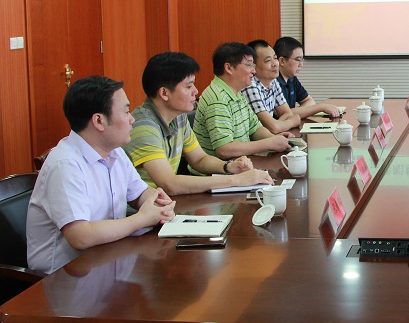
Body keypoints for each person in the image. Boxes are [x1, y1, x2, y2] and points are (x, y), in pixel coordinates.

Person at [27, 76, 176, 274]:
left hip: (107, 261)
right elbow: (81, 236)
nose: (132, 119)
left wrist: (158, 203)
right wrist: (142, 219)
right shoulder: (65, 165)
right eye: (126, 111)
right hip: (63, 279)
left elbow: (140, 193)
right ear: (99, 121)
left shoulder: (115, 152)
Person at [124, 52, 273, 195]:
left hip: (165, 203)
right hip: (142, 208)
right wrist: (236, 180)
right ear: (164, 93)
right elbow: (169, 184)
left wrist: (228, 167)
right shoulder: (143, 127)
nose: (195, 91)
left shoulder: (178, 117)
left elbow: (199, 159)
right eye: (188, 86)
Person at [193, 42, 291, 161]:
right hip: (220, 170)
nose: (253, 71)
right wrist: (269, 143)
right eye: (249, 65)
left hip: (241, 164)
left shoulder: (237, 92)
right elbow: (224, 149)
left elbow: (255, 128)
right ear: (228, 68)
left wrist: (274, 139)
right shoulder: (217, 99)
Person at [241, 40, 302, 134]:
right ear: (253, 66)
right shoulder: (250, 86)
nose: (275, 64)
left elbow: (287, 113)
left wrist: (278, 125)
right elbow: (274, 127)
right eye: (268, 60)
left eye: (275, 58)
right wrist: (291, 122)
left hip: (269, 137)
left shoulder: (273, 81)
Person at [273, 36, 342, 118]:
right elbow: (284, 115)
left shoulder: (292, 79)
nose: (301, 65)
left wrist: (296, 112)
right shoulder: (272, 82)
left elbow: (309, 101)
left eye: (302, 60)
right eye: (298, 60)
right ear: (282, 61)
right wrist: (320, 107)